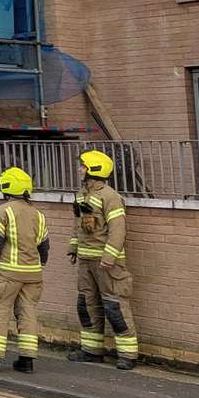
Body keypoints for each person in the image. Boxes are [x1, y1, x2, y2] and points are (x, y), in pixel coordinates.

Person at [0, 165, 48, 373]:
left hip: (8, 274)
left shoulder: (3, 211)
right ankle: (27, 360)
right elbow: (44, 247)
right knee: (28, 313)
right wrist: (37, 268)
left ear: (6, 188)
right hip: (33, 275)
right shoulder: (38, 214)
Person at [68, 149, 139, 370]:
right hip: (86, 261)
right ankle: (91, 351)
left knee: (114, 307)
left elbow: (118, 231)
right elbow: (78, 224)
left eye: (83, 166)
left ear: (93, 170)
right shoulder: (81, 195)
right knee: (87, 306)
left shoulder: (110, 197)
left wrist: (109, 257)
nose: (79, 169)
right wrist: (73, 247)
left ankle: (128, 355)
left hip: (107, 263)